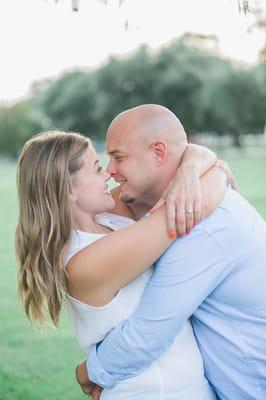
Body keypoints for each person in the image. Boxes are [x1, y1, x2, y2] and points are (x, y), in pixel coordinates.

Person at [15, 125, 227, 399]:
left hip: (185, 387)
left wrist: (189, 170)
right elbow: (199, 201)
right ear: (69, 190)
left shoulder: (109, 217)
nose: (109, 173)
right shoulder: (85, 261)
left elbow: (192, 156)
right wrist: (217, 170)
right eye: (96, 168)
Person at [75, 104, 266, 400]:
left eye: (119, 157)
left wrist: (88, 371)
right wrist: (201, 163)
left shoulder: (204, 228)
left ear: (159, 152)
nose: (111, 171)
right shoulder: (174, 207)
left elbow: (147, 335)